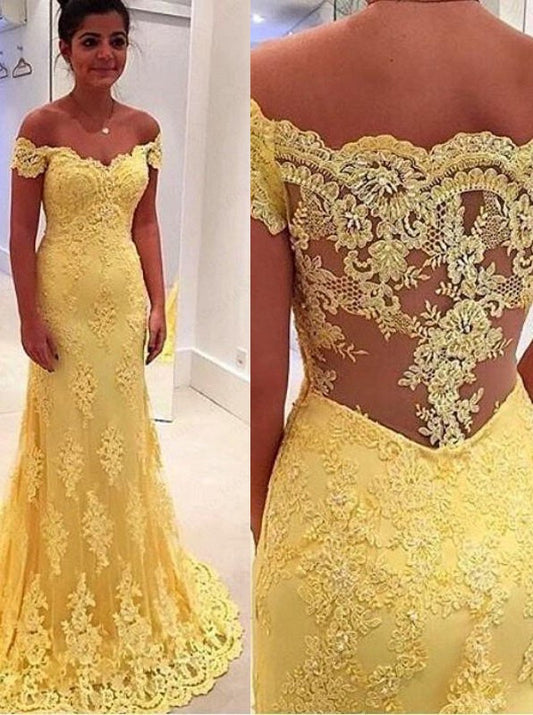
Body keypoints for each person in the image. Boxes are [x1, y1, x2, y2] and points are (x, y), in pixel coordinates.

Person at [251, 0, 533, 711]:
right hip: (513, 515)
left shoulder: (269, 82)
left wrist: (264, 514)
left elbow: (263, 373)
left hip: (338, 536)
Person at [2, 0, 243, 710]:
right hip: (64, 304)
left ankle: (120, 569)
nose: (104, 54)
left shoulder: (146, 129)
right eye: (89, 41)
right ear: (64, 48)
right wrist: (28, 316)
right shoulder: (40, 127)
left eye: (115, 40)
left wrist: (160, 303)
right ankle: (64, 576)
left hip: (122, 305)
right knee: (68, 437)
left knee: (119, 437)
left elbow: (145, 223)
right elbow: (19, 235)